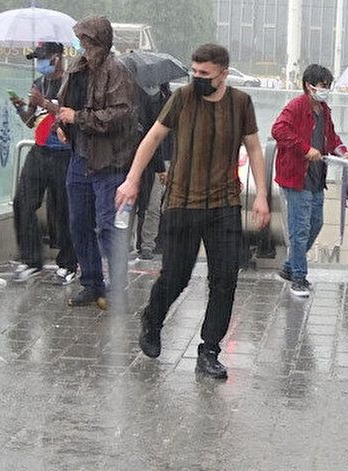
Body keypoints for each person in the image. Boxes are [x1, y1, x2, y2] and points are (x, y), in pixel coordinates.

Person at [115, 43, 270, 379]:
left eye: (205, 74)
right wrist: (131, 180)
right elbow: (153, 138)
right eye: (195, 72)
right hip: (182, 203)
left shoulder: (241, 103)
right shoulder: (182, 98)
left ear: (223, 73)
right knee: (176, 277)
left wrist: (261, 197)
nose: (198, 78)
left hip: (225, 205)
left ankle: (209, 350)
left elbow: (255, 148)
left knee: (225, 279)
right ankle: (152, 321)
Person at [56, 16, 138, 308]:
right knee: (78, 223)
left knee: (107, 226)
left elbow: (120, 114)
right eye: (81, 41)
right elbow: (65, 105)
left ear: (99, 42)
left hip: (108, 163)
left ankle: (117, 286)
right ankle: (91, 282)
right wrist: (62, 125)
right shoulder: (77, 69)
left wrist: (78, 118)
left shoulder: (117, 72)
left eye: (87, 41)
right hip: (78, 159)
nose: (82, 47)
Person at [272, 64, 348, 298]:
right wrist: (305, 149)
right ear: (309, 85)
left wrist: (342, 151)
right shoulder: (296, 106)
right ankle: (299, 277)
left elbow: (331, 137)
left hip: (317, 179)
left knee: (315, 224)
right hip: (297, 178)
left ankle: (289, 267)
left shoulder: (324, 110)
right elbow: (279, 129)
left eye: (328, 86)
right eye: (323, 85)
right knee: (300, 230)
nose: (326, 90)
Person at [9, 42, 77, 285]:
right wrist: (21, 107)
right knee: (22, 202)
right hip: (39, 151)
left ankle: (68, 264)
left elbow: (72, 115)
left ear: (57, 58)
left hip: (64, 153)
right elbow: (31, 121)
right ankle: (30, 260)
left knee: (63, 210)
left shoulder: (72, 82)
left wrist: (45, 103)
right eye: (37, 59)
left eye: (44, 58)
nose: (40, 63)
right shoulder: (38, 83)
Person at [132, 83, 172, 260]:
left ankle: (148, 244)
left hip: (163, 158)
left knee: (153, 204)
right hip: (139, 158)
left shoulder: (171, 100)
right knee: (132, 204)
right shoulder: (137, 98)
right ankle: (129, 244)